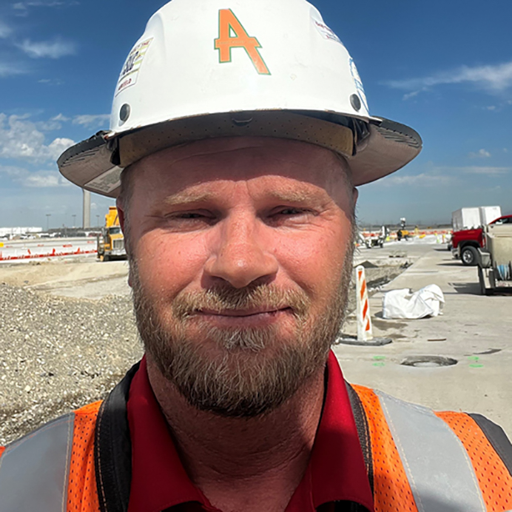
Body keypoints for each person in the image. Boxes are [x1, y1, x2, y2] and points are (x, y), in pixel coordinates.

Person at [1, 0, 511, 510]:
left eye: (289, 210)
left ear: (351, 222)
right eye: (190, 214)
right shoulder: (18, 487)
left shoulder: (483, 476)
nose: (240, 264)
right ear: (128, 231)